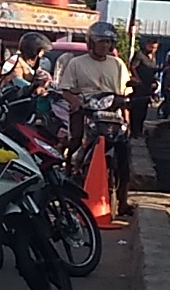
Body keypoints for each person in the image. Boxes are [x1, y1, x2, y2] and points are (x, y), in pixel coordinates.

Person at [57, 22, 134, 218]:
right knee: (76, 143)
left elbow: (124, 94)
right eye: (101, 42)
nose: (105, 46)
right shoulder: (76, 63)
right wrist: (76, 103)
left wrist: (127, 121)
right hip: (86, 111)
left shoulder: (118, 64)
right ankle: (69, 179)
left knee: (124, 153)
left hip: (112, 113)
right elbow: (66, 90)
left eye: (108, 42)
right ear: (91, 43)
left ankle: (123, 201)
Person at [127, 38, 161, 138]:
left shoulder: (153, 57)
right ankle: (134, 130)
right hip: (139, 86)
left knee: (144, 109)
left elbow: (152, 70)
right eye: (151, 47)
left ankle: (140, 129)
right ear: (147, 45)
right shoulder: (140, 54)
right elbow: (133, 67)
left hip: (148, 86)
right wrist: (137, 78)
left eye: (155, 48)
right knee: (136, 109)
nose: (153, 50)